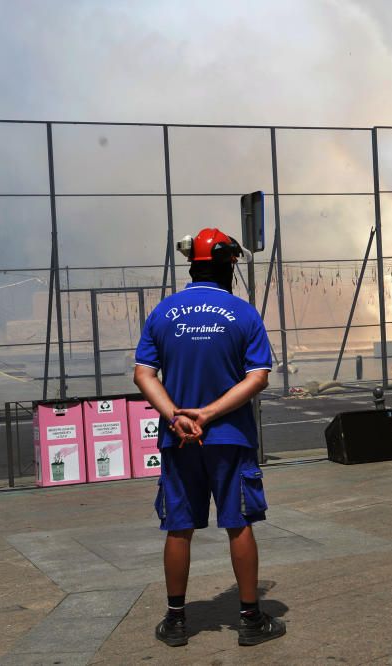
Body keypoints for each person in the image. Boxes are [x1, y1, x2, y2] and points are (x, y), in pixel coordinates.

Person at [133, 227, 286, 648]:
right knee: (238, 525)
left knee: (179, 528)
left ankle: (177, 621)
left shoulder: (163, 313)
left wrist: (176, 417)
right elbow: (257, 377)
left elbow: (143, 373)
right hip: (230, 438)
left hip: (178, 441)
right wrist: (211, 413)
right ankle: (251, 621)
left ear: (193, 266)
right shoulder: (243, 314)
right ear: (226, 266)